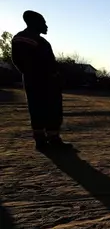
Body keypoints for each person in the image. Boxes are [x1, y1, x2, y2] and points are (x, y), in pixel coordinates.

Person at [11, 11, 72, 151]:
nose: (46, 26)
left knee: (41, 110)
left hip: (40, 81)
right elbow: (24, 62)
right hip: (42, 82)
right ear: (34, 23)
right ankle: (49, 140)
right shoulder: (25, 39)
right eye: (43, 22)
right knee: (46, 109)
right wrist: (46, 75)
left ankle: (46, 140)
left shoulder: (33, 39)